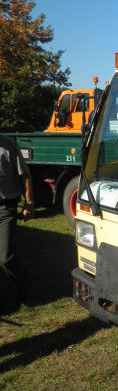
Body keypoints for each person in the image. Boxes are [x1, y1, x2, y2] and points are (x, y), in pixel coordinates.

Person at [0, 134, 35, 314]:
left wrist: (28, 203)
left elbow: (25, 175)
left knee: (5, 257)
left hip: (5, 208)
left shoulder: (8, 145)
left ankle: (24, 282)